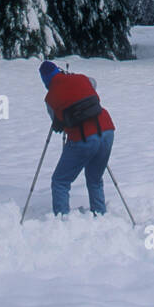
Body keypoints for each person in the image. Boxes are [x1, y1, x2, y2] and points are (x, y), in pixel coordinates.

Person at [39, 61, 115, 216]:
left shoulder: (50, 98)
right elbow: (93, 83)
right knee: (95, 179)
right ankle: (100, 215)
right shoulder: (80, 78)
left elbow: (57, 125)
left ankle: (63, 221)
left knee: (60, 181)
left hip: (83, 138)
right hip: (107, 130)